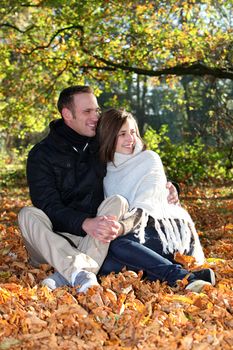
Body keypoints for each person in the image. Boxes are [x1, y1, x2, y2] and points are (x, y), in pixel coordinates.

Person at [18, 85, 179, 293]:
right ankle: (77, 270)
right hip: (51, 241)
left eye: (96, 110)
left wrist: (169, 187)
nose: (95, 116)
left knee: (118, 202)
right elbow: (48, 206)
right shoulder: (41, 155)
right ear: (67, 114)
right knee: (27, 214)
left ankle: (72, 275)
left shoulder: (99, 143)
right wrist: (84, 223)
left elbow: (135, 166)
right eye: (87, 112)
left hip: (94, 239)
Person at [97, 108, 215, 292]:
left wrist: (120, 228)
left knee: (118, 245)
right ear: (108, 136)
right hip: (135, 236)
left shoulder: (149, 159)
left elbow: (144, 208)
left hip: (167, 230)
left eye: (133, 132)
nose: (131, 139)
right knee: (106, 265)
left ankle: (183, 278)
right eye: (122, 134)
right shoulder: (106, 171)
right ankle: (191, 276)